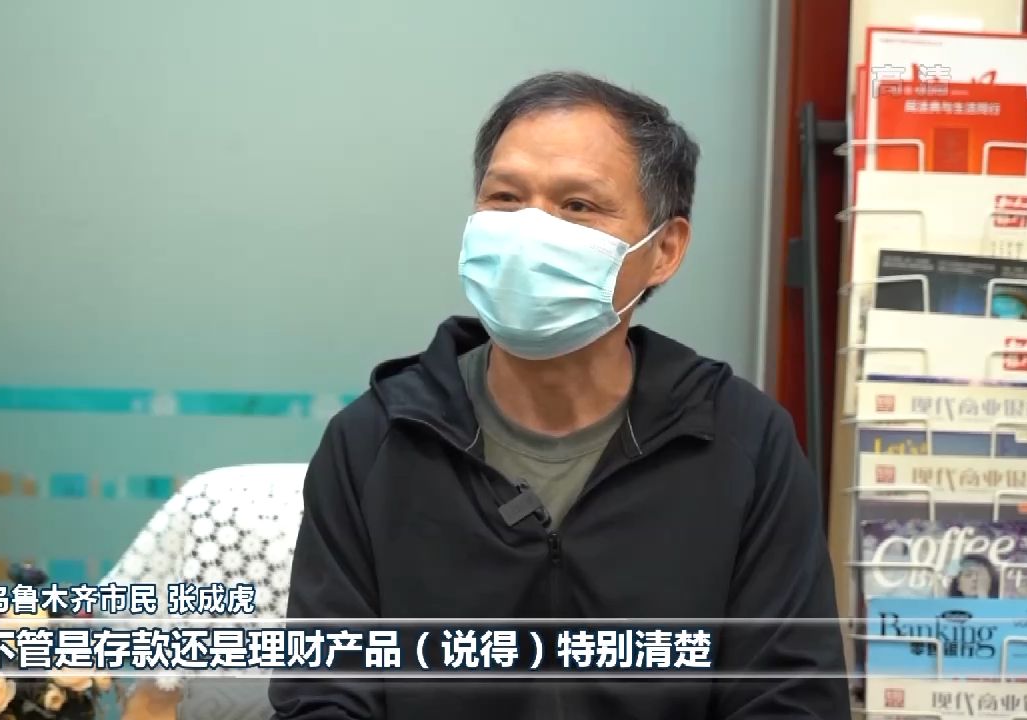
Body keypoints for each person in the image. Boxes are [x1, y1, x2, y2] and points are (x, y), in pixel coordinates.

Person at [269, 71, 850, 719]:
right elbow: (324, 694)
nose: (529, 231)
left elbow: (790, 698)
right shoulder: (376, 440)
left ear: (664, 249)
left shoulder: (742, 444)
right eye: (505, 197)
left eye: (577, 205)